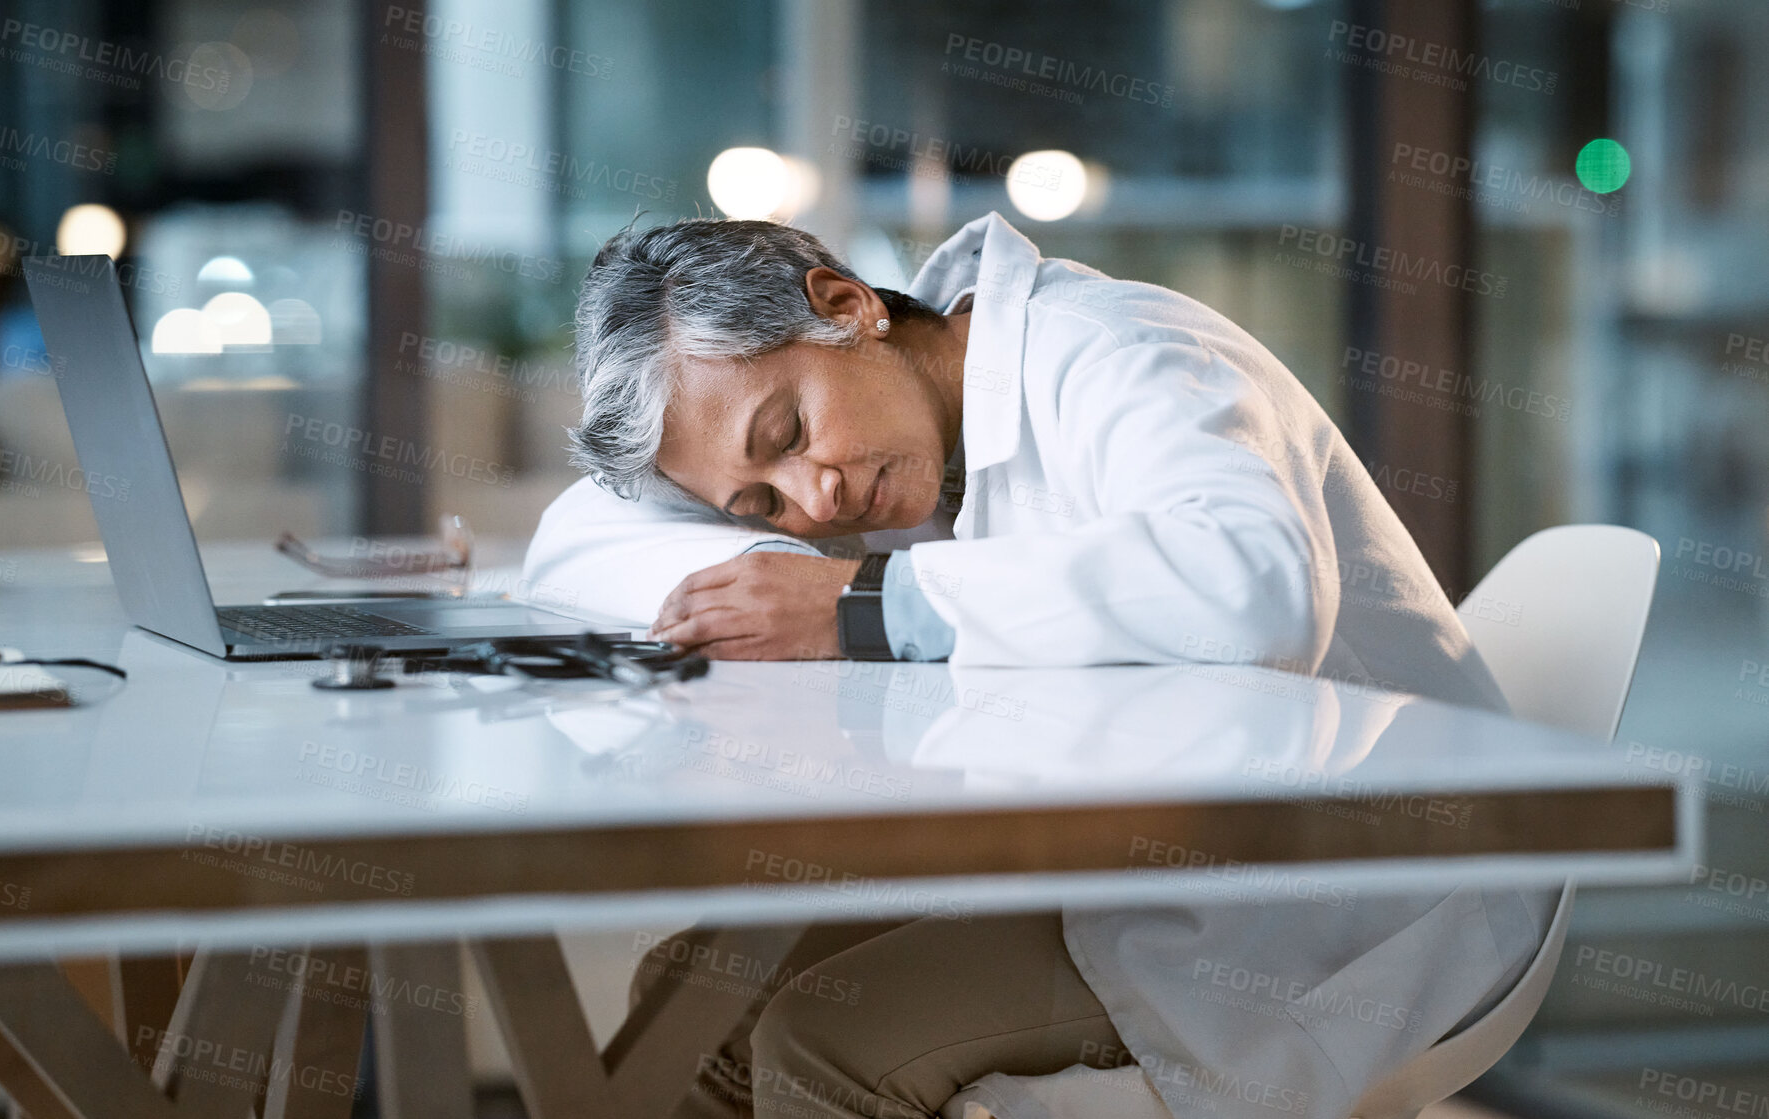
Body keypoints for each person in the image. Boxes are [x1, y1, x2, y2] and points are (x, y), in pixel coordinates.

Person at [525, 213, 1552, 1119]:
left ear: (844, 303)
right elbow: (580, 530)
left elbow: (1256, 588)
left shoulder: (1121, 351)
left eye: (788, 432)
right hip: (1139, 847)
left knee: (820, 1043)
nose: (815, 500)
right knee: (692, 998)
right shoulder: (909, 436)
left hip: (1344, 889)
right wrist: (753, 552)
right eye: (759, 502)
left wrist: (868, 603)